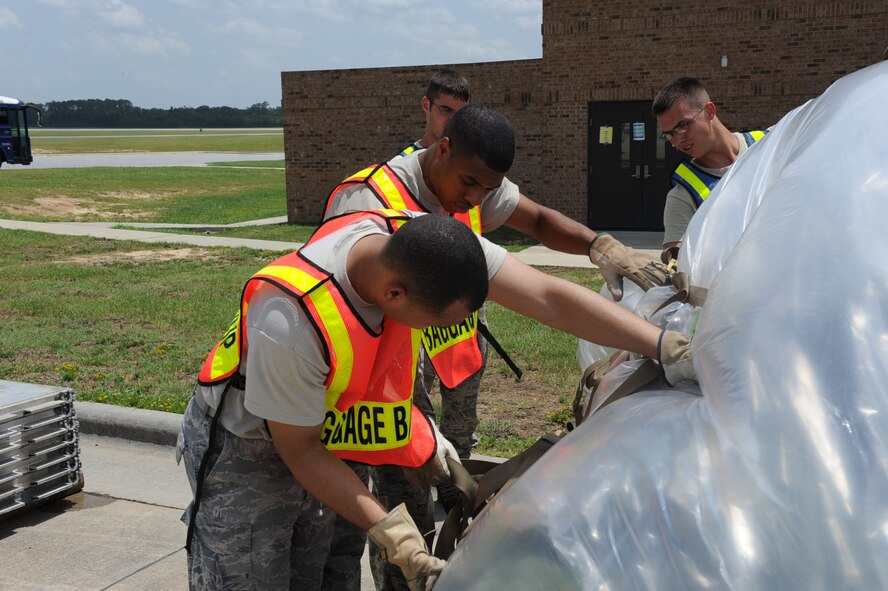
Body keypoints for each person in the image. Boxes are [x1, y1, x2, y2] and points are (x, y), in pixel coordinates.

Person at [179, 208, 694, 590]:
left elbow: (547, 297)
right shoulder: (290, 318)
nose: (439, 334)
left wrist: (658, 343)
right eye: (437, 324)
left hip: (328, 428)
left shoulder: (424, 243)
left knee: (318, 577)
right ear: (396, 296)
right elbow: (301, 452)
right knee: (250, 575)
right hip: (250, 450)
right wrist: (394, 533)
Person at [323, 104, 673, 588]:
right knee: (393, 502)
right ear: (443, 147)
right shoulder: (368, 201)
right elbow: (356, 322)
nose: (474, 200)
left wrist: (602, 247)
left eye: (485, 190)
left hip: (433, 349)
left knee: (443, 480)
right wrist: (412, 426)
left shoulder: (474, 181)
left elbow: (543, 261)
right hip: (376, 372)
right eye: (469, 184)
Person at [653, 77, 770, 264]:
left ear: (709, 111)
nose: (677, 140)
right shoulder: (682, 196)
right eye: (668, 134)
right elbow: (677, 265)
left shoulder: (771, 142)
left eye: (683, 126)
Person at [397, 69, 470, 158]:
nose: (453, 120)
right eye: (446, 110)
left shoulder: (471, 163)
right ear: (426, 105)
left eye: (461, 113)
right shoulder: (401, 165)